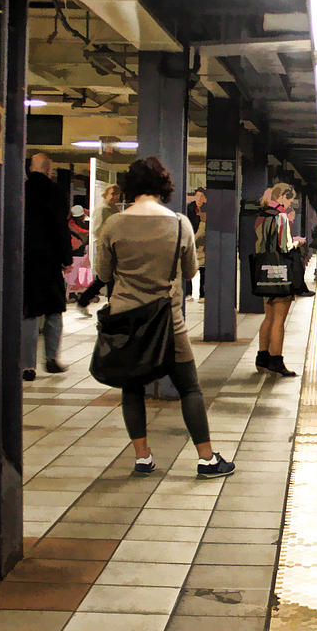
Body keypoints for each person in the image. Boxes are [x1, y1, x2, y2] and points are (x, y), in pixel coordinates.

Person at [93, 157, 235, 478]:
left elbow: (102, 273)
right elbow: (189, 272)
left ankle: (143, 458)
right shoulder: (179, 223)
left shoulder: (114, 224)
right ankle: (206, 459)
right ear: (163, 187)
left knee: (132, 389)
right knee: (189, 388)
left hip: (126, 320)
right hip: (168, 321)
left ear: (131, 186)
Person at [22, 152, 71, 381]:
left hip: (25, 259)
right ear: (49, 170)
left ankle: (26, 365)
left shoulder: (20, 190)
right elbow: (61, 226)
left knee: (29, 312)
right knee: (54, 311)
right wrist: (67, 258)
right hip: (50, 260)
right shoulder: (57, 192)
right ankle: (51, 360)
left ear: (30, 169)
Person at [253, 183, 305, 377]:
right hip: (279, 271)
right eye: (290, 199)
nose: (290, 204)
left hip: (263, 271)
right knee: (279, 319)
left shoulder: (261, 216)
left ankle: (262, 357)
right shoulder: (280, 217)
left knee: (268, 316)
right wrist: (297, 242)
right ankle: (276, 360)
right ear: (283, 196)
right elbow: (284, 247)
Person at [76, 185, 121, 316]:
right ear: (106, 194)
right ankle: (108, 308)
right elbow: (97, 231)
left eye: (117, 194)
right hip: (106, 249)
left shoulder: (114, 209)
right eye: (113, 194)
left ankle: (86, 302)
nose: (115, 197)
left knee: (106, 279)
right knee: (105, 278)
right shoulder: (102, 209)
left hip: (114, 249)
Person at [185, 188, 206, 301]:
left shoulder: (206, 210)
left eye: (201, 196)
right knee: (188, 266)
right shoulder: (189, 208)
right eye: (197, 196)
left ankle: (202, 294)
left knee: (203, 268)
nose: (199, 198)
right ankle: (188, 293)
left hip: (202, 244)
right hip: (191, 240)